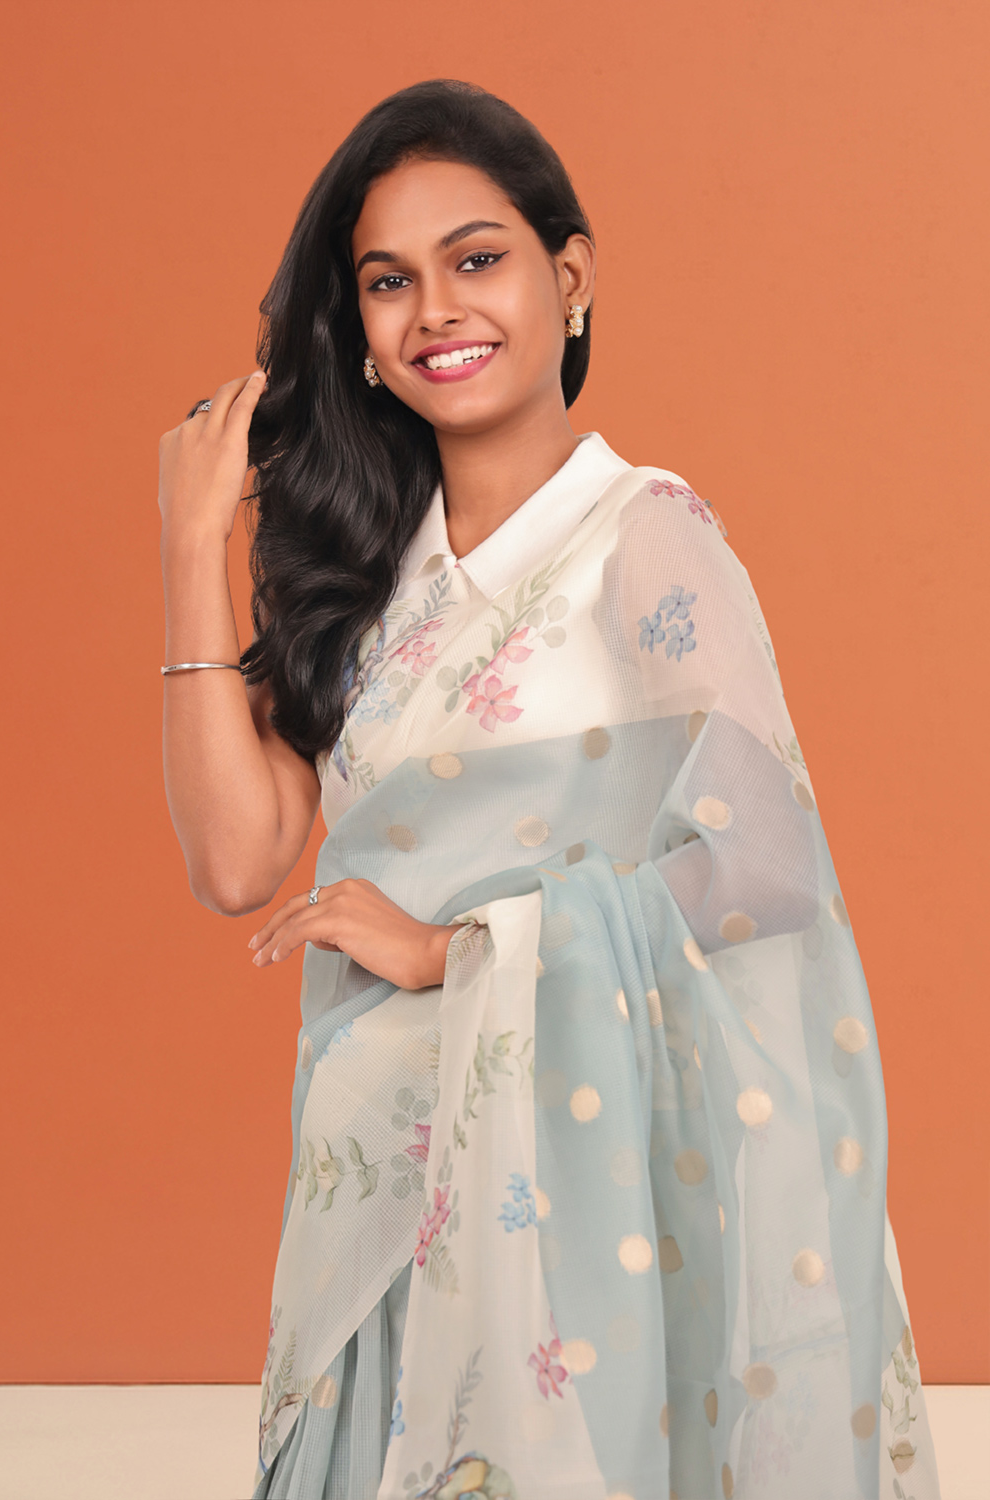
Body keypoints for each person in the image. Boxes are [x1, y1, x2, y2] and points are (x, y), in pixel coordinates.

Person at [157, 79, 941, 1500]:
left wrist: (460, 950)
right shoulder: (363, 576)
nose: (435, 311)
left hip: (568, 1212)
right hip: (373, 1209)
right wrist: (189, 543)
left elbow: (763, 869)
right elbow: (235, 863)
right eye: (388, 281)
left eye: (477, 258)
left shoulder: (641, 538)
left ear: (569, 278)